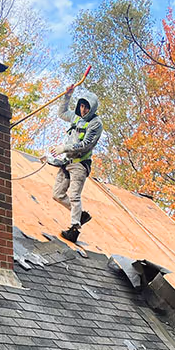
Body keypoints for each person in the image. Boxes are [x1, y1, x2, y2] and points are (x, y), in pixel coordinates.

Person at [47, 86, 103, 243]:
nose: (83, 110)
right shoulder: (76, 117)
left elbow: (86, 145)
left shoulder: (95, 123)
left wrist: (64, 148)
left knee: (74, 195)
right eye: (82, 106)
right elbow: (62, 113)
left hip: (80, 164)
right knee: (57, 194)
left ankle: (74, 230)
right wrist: (67, 96)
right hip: (67, 162)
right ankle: (80, 215)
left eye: (87, 107)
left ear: (92, 108)